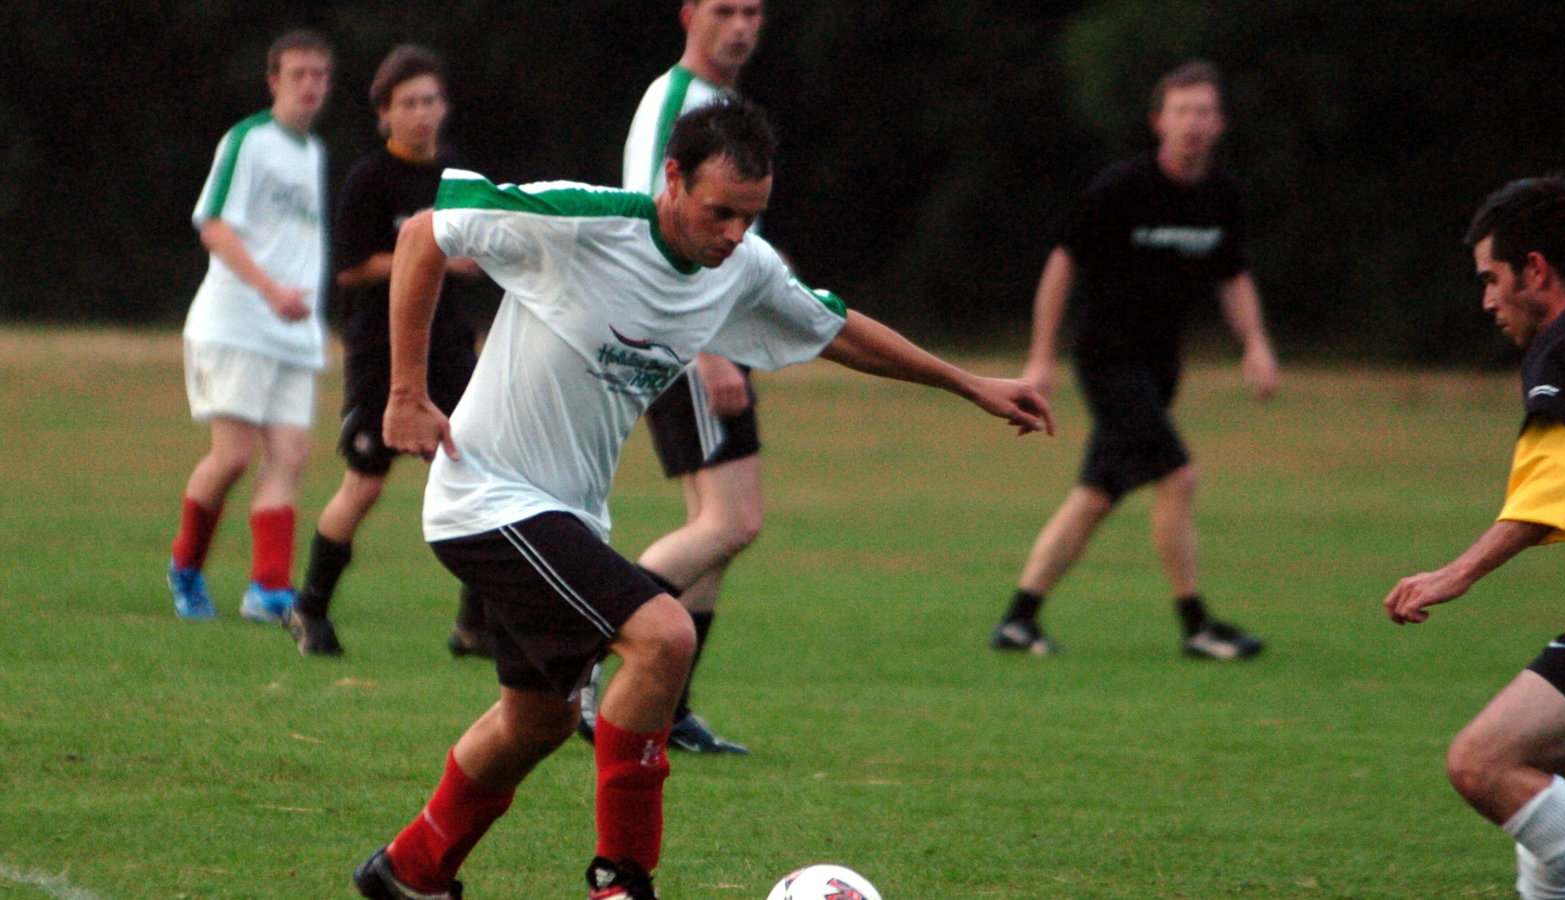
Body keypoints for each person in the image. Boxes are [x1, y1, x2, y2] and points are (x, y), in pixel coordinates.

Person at [352, 96, 1052, 900]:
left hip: (564, 512)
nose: (732, 235)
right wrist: (406, 390)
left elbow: (836, 328)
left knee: (536, 720)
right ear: (673, 178)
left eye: (749, 218)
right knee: (664, 637)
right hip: (487, 497)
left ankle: (410, 872)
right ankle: (623, 882)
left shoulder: (741, 267)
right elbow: (423, 234)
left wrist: (967, 384)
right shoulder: (586, 223)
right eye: (719, 212)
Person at [989, 60, 1279, 660]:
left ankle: (1018, 621)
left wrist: (1255, 343)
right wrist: (1041, 356)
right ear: (1159, 122)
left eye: (1203, 112)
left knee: (1095, 496)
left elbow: (1234, 276)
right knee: (1178, 476)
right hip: (1107, 360)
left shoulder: (1221, 197)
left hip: (1160, 369)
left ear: (1220, 123)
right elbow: (1063, 260)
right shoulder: (1123, 187)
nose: (1193, 124)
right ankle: (1197, 626)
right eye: (1181, 112)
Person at [1385, 176, 1565, 900]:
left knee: (1486, 761)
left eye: (1491, 279)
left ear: (1535, 271)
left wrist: (1457, 573)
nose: (1485, 300)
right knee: (1541, 772)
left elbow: (1551, 489)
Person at [582, 0, 768, 754]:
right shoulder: (675, 103)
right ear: (688, 13)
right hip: (688, 339)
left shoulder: (725, 106)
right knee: (732, 521)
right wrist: (710, 350)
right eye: (725, 9)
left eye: (753, 10)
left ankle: (666, 708)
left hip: (714, 332)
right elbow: (655, 231)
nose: (742, 26)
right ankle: (590, 659)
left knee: (716, 531)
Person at [286, 45, 492, 658]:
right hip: (383, 353)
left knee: (478, 476)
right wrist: (424, 254)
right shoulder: (371, 178)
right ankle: (309, 607)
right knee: (366, 483)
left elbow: (482, 246)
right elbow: (349, 268)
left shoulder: (457, 173)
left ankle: (473, 625)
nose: (422, 114)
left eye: (430, 101)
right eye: (408, 104)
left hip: (451, 349)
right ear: (385, 114)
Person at [166, 30, 333, 624]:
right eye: (298, 74)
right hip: (237, 322)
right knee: (234, 455)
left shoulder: (312, 153)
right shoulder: (250, 141)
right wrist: (269, 290)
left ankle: (269, 590)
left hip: (293, 331)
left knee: (289, 454)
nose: (311, 84)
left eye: (320, 74)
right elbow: (213, 224)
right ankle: (185, 566)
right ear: (274, 81)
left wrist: (300, 304)